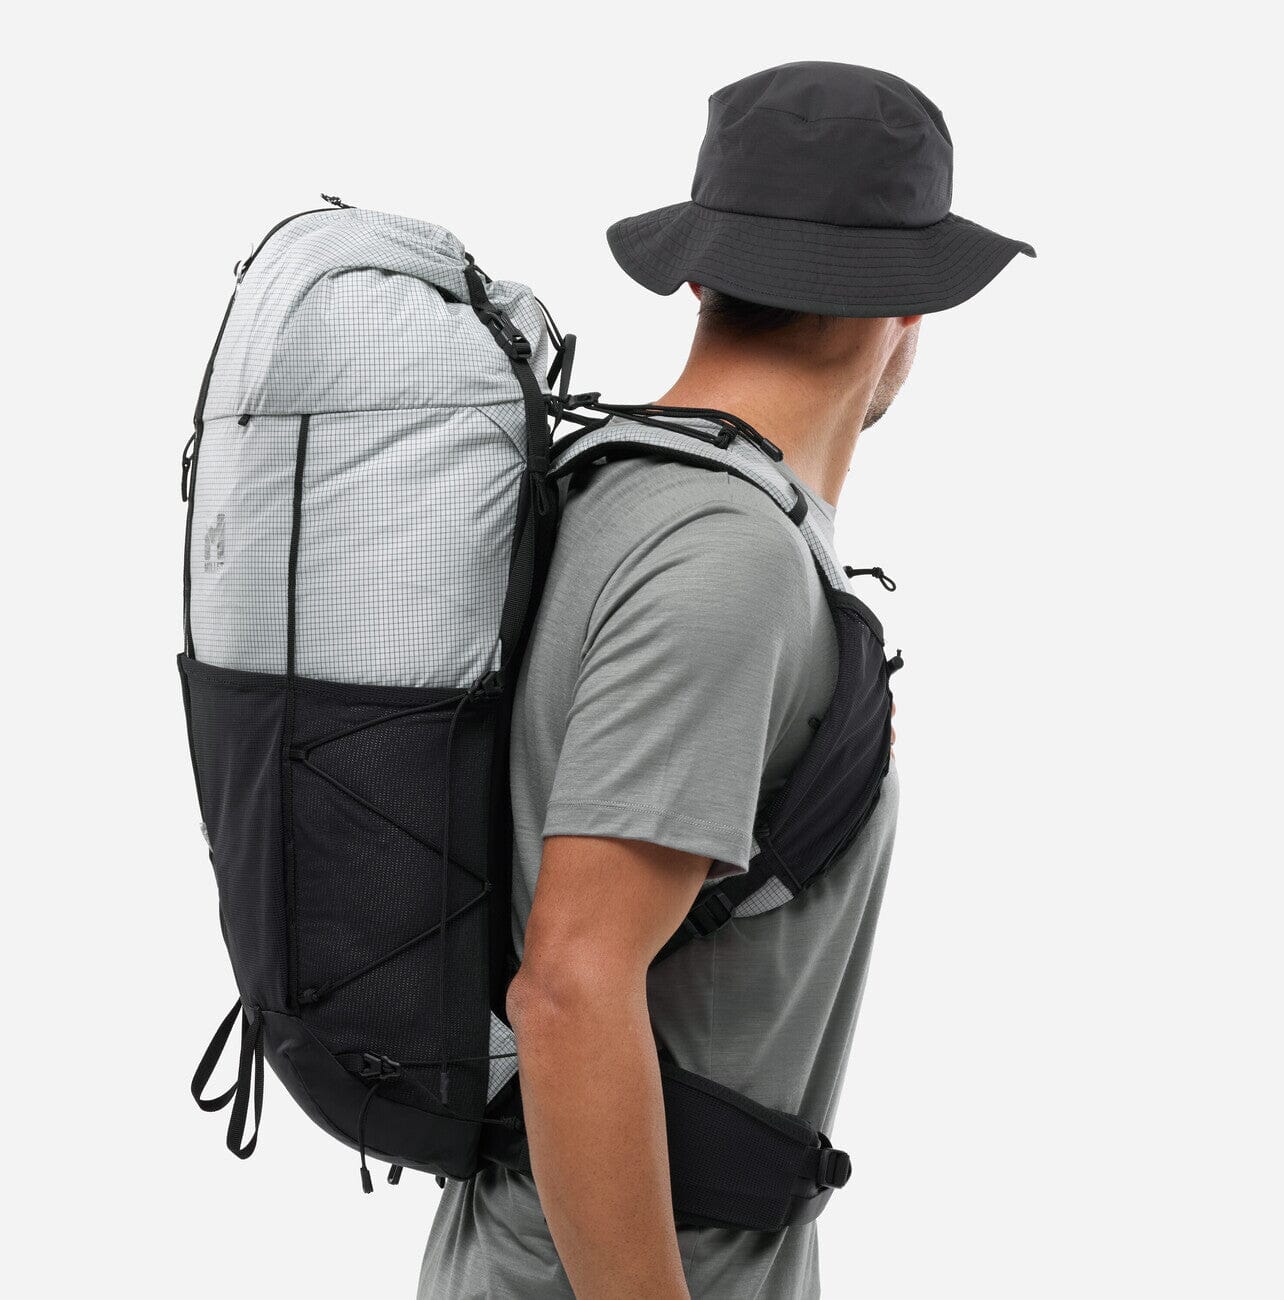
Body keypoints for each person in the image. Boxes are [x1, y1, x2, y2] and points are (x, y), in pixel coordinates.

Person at [419, 60, 1032, 1299]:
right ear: (907, 305)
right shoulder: (725, 557)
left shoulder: (607, 492)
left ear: (700, 274)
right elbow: (570, 986)